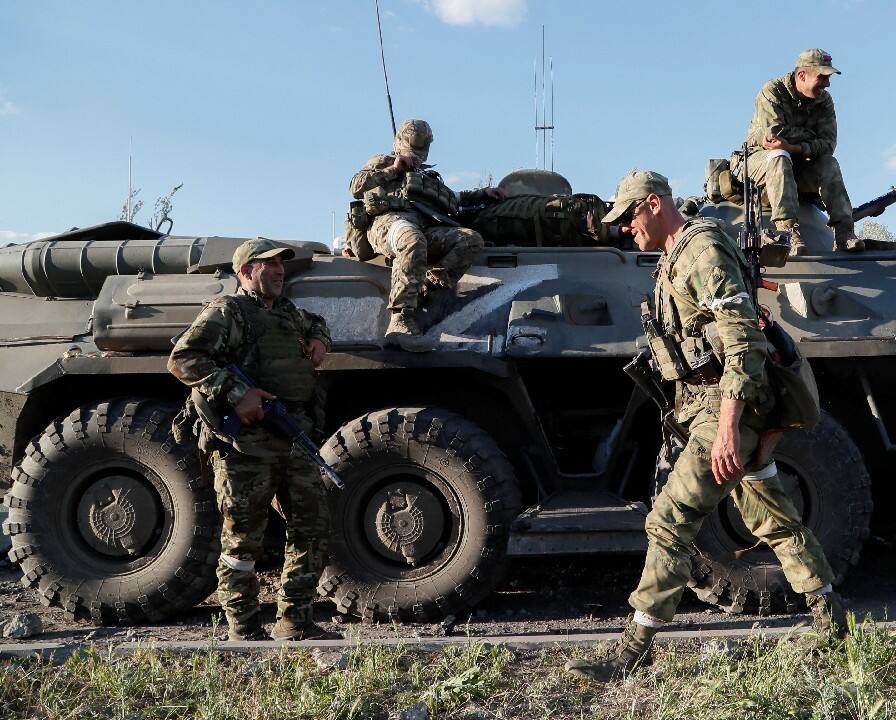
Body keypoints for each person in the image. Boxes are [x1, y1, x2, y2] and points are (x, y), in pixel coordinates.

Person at [565, 171, 847, 682]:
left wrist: (728, 429)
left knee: (670, 519)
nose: (626, 229)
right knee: (771, 513)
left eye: (629, 216)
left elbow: (744, 344)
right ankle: (831, 615)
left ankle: (634, 647)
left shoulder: (700, 252)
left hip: (726, 405)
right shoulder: (677, 254)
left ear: (654, 204)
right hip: (709, 404)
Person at [168, 238, 339, 641]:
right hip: (245, 445)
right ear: (246, 272)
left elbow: (316, 322)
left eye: (282, 264)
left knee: (312, 527)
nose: (280, 271)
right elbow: (184, 358)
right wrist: (235, 392)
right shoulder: (227, 312)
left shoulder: (286, 313)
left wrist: (320, 340)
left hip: (291, 438)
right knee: (243, 540)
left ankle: (295, 620)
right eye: (270, 265)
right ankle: (243, 627)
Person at [349, 118, 504, 348]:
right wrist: (393, 169)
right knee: (412, 238)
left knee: (470, 240)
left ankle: (428, 289)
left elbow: (453, 198)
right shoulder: (383, 162)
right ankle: (400, 319)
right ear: (397, 143)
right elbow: (356, 185)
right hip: (388, 225)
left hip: (423, 228)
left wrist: (483, 193)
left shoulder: (425, 177)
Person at [743, 48, 860, 256]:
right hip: (758, 162)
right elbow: (774, 135)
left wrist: (794, 147)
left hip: (796, 161)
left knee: (828, 163)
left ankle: (844, 233)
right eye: (822, 77)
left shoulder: (824, 101)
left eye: (828, 78)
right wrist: (805, 141)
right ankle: (787, 231)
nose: (827, 83)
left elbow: (827, 144)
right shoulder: (772, 91)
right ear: (801, 75)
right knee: (778, 156)